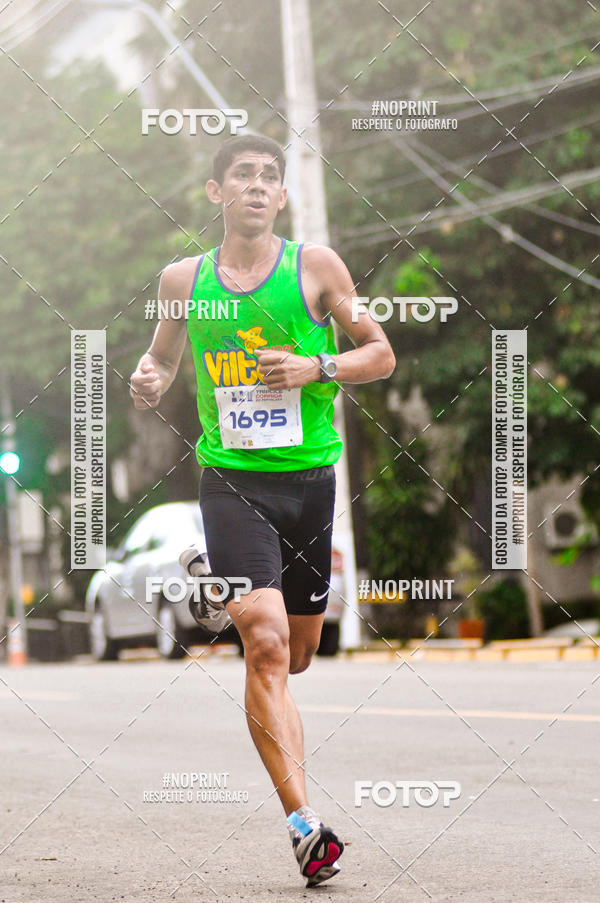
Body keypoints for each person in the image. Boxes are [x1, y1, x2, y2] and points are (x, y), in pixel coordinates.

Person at [130, 134, 395, 887]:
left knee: (300, 653)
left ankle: (239, 602)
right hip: (233, 483)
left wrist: (318, 365)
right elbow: (163, 360)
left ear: (281, 196)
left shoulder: (317, 269)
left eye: (269, 178)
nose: (256, 186)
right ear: (216, 193)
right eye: (242, 175)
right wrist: (148, 380)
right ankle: (304, 824)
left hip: (311, 483)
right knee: (268, 644)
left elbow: (381, 352)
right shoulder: (182, 281)